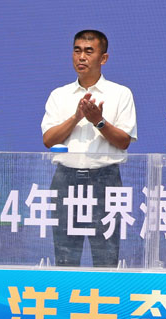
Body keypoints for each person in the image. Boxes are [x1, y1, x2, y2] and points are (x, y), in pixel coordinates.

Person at [41, 30, 137, 267]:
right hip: (65, 179)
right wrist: (76, 117)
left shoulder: (120, 93)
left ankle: (104, 292)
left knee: (106, 256)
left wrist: (98, 121)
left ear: (103, 58)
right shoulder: (59, 95)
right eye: (77, 51)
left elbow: (124, 141)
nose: (81, 57)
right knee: (65, 256)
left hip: (105, 180)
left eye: (88, 51)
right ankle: (66, 292)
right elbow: (49, 140)